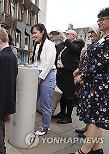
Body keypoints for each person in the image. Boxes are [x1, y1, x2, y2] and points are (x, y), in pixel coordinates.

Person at [71, 7, 109, 154]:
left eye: (102, 19)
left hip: (101, 84)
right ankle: (97, 149)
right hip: (94, 83)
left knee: (94, 118)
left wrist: (83, 75)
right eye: (98, 19)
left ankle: (84, 151)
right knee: (96, 118)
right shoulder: (103, 39)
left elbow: (102, 62)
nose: (99, 22)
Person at [73, 24, 102, 139]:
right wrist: (79, 70)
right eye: (89, 32)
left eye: (92, 32)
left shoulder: (101, 45)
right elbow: (85, 61)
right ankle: (87, 129)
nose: (90, 35)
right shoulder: (94, 45)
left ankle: (90, 134)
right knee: (87, 107)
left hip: (93, 82)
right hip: (86, 81)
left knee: (94, 111)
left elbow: (96, 65)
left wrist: (83, 76)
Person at [53, 29, 85, 124]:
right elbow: (57, 48)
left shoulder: (78, 43)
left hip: (70, 72)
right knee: (62, 94)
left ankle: (68, 117)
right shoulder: (64, 44)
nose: (66, 36)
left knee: (69, 95)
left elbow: (74, 49)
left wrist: (64, 38)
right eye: (65, 34)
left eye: (68, 34)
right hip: (61, 71)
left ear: (73, 36)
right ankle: (62, 113)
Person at [30, 23, 56, 136]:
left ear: (42, 32)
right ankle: (30, 123)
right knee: (32, 101)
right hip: (38, 74)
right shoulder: (37, 45)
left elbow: (49, 64)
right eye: (32, 34)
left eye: (35, 33)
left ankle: (45, 127)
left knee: (45, 104)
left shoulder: (49, 45)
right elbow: (37, 62)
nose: (33, 36)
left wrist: (40, 78)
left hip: (47, 75)